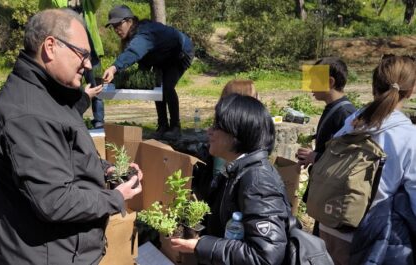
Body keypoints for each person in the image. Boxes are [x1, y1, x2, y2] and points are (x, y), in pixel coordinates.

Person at [0, 9, 142, 264]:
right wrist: (115, 197)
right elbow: (54, 200)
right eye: (83, 54)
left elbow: (63, 155)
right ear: (50, 47)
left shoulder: (50, 93)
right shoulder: (28, 115)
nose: (89, 64)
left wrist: (107, 170)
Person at [318, 55, 416, 265]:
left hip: (329, 222)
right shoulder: (409, 135)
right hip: (365, 234)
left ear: (373, 85)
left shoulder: (353, 121)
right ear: (411, 90)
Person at [171, 94, 290, 265]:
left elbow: (265, 256)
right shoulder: (237, 170)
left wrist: (200, 245)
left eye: (216, 126)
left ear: (236, 133)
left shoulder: (258, 181)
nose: (209, 131)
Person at [103, 5, 194, 140]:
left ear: (129, 21)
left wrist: (114, 67)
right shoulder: (135, 33)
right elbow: (142, 58)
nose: (116, 29)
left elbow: (134, 52)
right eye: (113, 26)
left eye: (118, 24)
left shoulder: (144, 33)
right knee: (156, 87)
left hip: (180, 52)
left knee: (167, 87)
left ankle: (175, 128)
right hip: (162, 56)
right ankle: (162, 125)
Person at [296, 57, 356, 235]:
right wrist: (313, 156)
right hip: (325, 194)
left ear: (330, 82)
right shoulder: (332, 108)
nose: (310, 87)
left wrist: (316, 157)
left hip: (334, 199)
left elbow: (348, 161)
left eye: (314, 80)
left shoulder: (345, 114)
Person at [39, 0, 106, 129]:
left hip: (92, 53)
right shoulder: (57, 2)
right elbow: (43, 8)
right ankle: (76, 118)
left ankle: (99, 122)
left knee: (96, 86)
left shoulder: (88, 3)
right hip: (70, 54)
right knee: (73, 87)